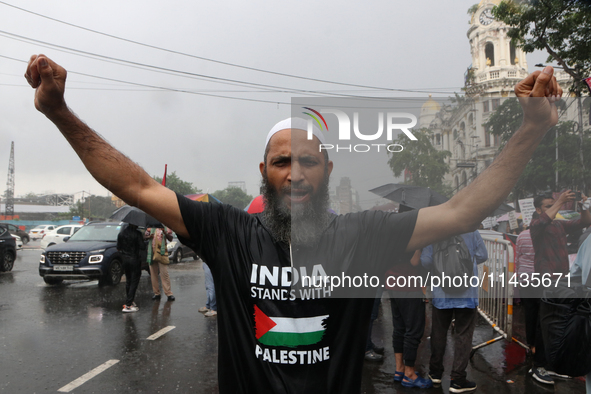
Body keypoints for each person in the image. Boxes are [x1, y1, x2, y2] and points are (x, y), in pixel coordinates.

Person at [25, 54, 562, 393]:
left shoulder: (362, 236)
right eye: (282, 162)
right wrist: (59, 112)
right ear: (264, 172)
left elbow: (463, 212)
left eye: (308, 162)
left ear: (327, 170)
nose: (296, 174)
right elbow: (137, 187)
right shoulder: (229, 231)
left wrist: (532, 129)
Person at [528, 190, 591, 384]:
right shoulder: (536, 225)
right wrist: (560, 201)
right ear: (538, 209)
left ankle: (551, 364)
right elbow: (544, 219)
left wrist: (584, 207)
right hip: (545, 279)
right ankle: (538, 366)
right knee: (543, 324)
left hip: (561, 281)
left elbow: (583, 222)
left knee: (558, 322)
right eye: (548, 205)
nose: (553, 208)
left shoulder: (557, 224)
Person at [420, 230, 488, 393]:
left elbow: (426, 261)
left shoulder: (437, 230)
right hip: (467, 292)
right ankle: (457, 379)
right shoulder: (471, 230)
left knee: (438, 333)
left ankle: (435, 373)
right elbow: (482, 255)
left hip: (441, 293)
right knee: (463, 335)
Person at [387, 249, 431, 388]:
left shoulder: (390, 231)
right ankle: (409, 374)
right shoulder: (411, 232)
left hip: (392, 281)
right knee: (414, 329)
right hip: (408, 285)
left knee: (399, 328)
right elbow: (414, 261)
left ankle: (399, 369)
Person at [515, 223, 537, 352]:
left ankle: (531, 343)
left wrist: (518, 277)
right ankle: (538, 343)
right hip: (540, 277)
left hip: (524, 277)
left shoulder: (521, 236)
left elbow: (517, 258)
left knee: (529, 312)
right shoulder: (544, 234)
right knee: (540, 312)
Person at [117, 223, 145, 313]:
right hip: (135, 259)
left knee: (128, 280)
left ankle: (129, 301)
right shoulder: (137, 234)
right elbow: (142, 247)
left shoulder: (121, 233)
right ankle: (128, 305)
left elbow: (118, 247)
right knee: (134, 281)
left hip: (125, 260)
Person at [146, 227, 176, 301]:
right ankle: (156, 293)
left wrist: (165, 233)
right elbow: (144, 237)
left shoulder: (166, 227)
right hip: (151, 253)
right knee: (153, 274)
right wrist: (149, 236)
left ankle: (169, 293)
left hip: (162, 253)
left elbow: (171, 238)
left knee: (164, 273)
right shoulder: (149, 227)